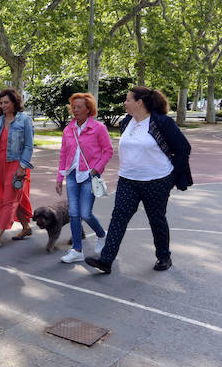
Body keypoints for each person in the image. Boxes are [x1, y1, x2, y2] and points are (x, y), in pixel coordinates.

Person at [86, 86, 193, 274]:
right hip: (128, 180)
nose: (124, 103)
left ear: (139, 102)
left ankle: (164, 257)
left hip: (157, 180)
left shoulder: (161, 122)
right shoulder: (127, 122)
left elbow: (184, 148)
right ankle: (106, 260)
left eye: (128, 100)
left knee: (156, 219)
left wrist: (171, 178)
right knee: (118, 218)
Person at [55, 93, 114, 263]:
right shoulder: (69, 129)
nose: (75, 110)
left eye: (79, 107)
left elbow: (108, 150)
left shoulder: (98, 128)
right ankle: (77, 250)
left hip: (90, 175)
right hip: (72, 174)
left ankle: (102, 235)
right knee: (74, 213)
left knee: (85, 213)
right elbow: (63, 154)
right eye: (73, 107)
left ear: (89, 109)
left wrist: (97, 169)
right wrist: (60, 178)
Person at [0, 88, 34, 251]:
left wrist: (22, 166)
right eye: (1, 103)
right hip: (0, 164)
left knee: (8, 200)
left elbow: (29, 145)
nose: (3, 106)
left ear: (14, 102)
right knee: (10, 197)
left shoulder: (24, 120)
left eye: (6, 102)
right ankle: (26, 227)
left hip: (16, 164)